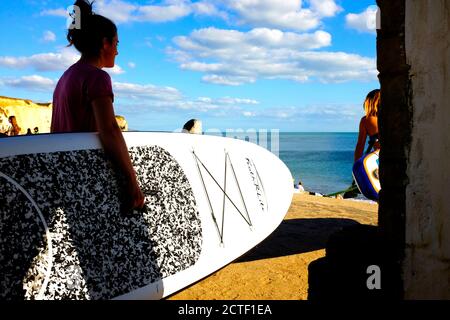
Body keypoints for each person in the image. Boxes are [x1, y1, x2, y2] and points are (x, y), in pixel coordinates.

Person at [51, 0, 144, 211]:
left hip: (64, 172)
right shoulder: (97, 77)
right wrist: (132, 181)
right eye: (116, 44)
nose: (117, 51)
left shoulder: (66, 77)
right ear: (104, 43)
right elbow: (109, 129)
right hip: (86, 174)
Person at [344, 89, 381, 199]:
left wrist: (356, 168)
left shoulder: (366, 120)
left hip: (379, 159)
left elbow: (360, 145)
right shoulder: (392, 117)